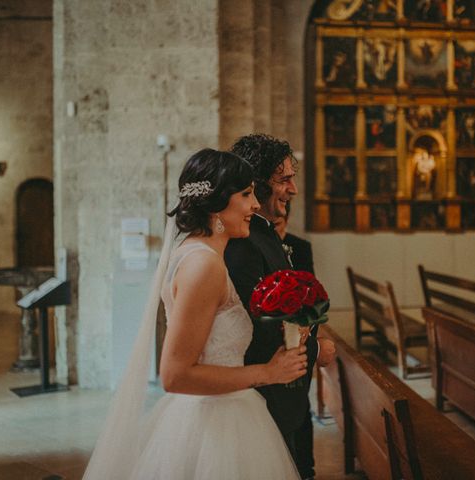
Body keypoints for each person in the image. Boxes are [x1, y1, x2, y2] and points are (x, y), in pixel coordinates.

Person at [83, 148, 307, 480]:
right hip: (214, 424)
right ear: (217, 203)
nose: (255, 205)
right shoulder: (203, 265)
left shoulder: (197, 253)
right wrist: (268, 372)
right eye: (245, 195)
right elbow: (175, 375)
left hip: (222, 412)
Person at [224, 134, 336, 480]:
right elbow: (254, 326)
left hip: (287, 393)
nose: (293, 189)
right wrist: (316, 348)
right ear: (257, 184)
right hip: (267, 398)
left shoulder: (265, 232)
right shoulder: (245, 242)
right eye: (284, 179)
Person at [275, 202, 314, 274]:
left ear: (286, 221)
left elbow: (308, 281)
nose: (273, 229)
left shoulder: (302, 247)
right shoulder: (260, 246)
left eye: (277, 224)